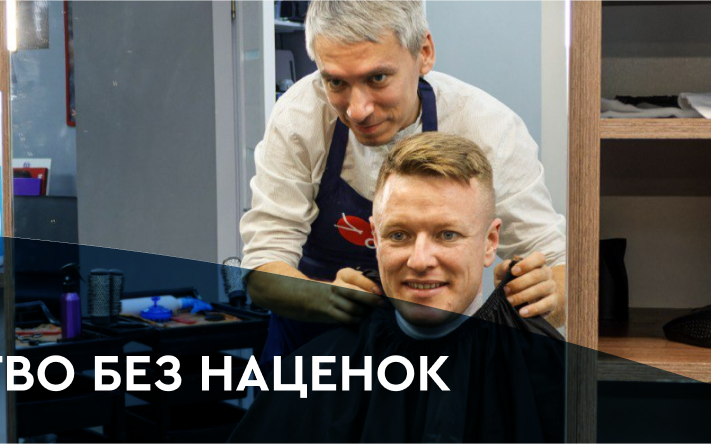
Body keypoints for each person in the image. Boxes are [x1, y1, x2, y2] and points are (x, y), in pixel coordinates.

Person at [240, 0, 567, 364]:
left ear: (424, 52)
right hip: (314, 353)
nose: (357, 110)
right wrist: (325, 297)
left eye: (377, 78)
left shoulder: (487, 128)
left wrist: (547, 292)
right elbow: (261, 267)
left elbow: (559, 265)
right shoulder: (301, 118)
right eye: (336, 82)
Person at [228, 132, 564, 444]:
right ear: (375, 238)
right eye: (399, 235)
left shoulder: (545, 369)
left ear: (490, 242)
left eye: (447, 235)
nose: (420, 260)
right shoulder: (316, 374)